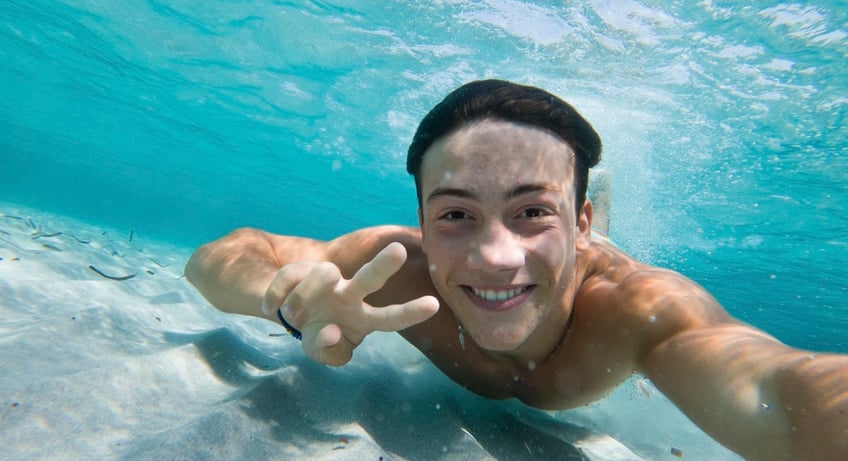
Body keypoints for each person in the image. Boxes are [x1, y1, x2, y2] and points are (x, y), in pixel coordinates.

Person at [185, 79, 847, 460]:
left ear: (580, 224)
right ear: (419, 220)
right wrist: (284, 300)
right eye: (455, 215)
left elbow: (781, 389)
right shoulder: (396, 263)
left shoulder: (639, 308)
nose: (494, 255)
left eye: (531, 211)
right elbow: (213, 261)